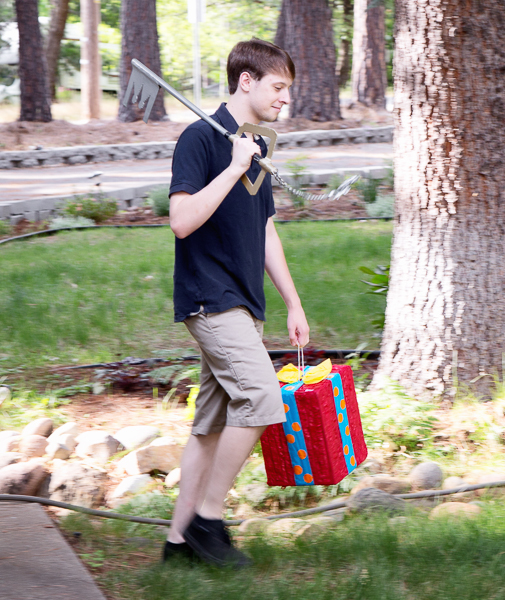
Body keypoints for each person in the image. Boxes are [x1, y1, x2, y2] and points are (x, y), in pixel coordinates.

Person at [162, 39, 309, 568]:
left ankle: (178, 545)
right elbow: (181, 221)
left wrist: (293, 302)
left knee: (210, 426)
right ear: (246, 81)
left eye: (287, 89)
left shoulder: (253, 145)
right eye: (278, 87)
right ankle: (208, 519)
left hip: (244, 301)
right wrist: (231, 168)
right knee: (262, 399)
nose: (284, 99)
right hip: (210, 298)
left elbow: (265, 228)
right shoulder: (201, 139)